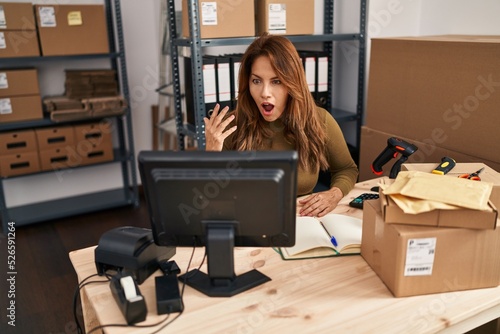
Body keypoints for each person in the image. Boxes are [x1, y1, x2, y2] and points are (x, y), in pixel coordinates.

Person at [204, 33, 358, 217]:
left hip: (302, 219)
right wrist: (210, 154)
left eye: (276, 81)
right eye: (256, 81)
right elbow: (209, 196)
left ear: (292, 83)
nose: (265, 93)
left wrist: (334, 194)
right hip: (248, 218)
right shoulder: (230, 124)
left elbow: (346, 168)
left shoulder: (319, 119)